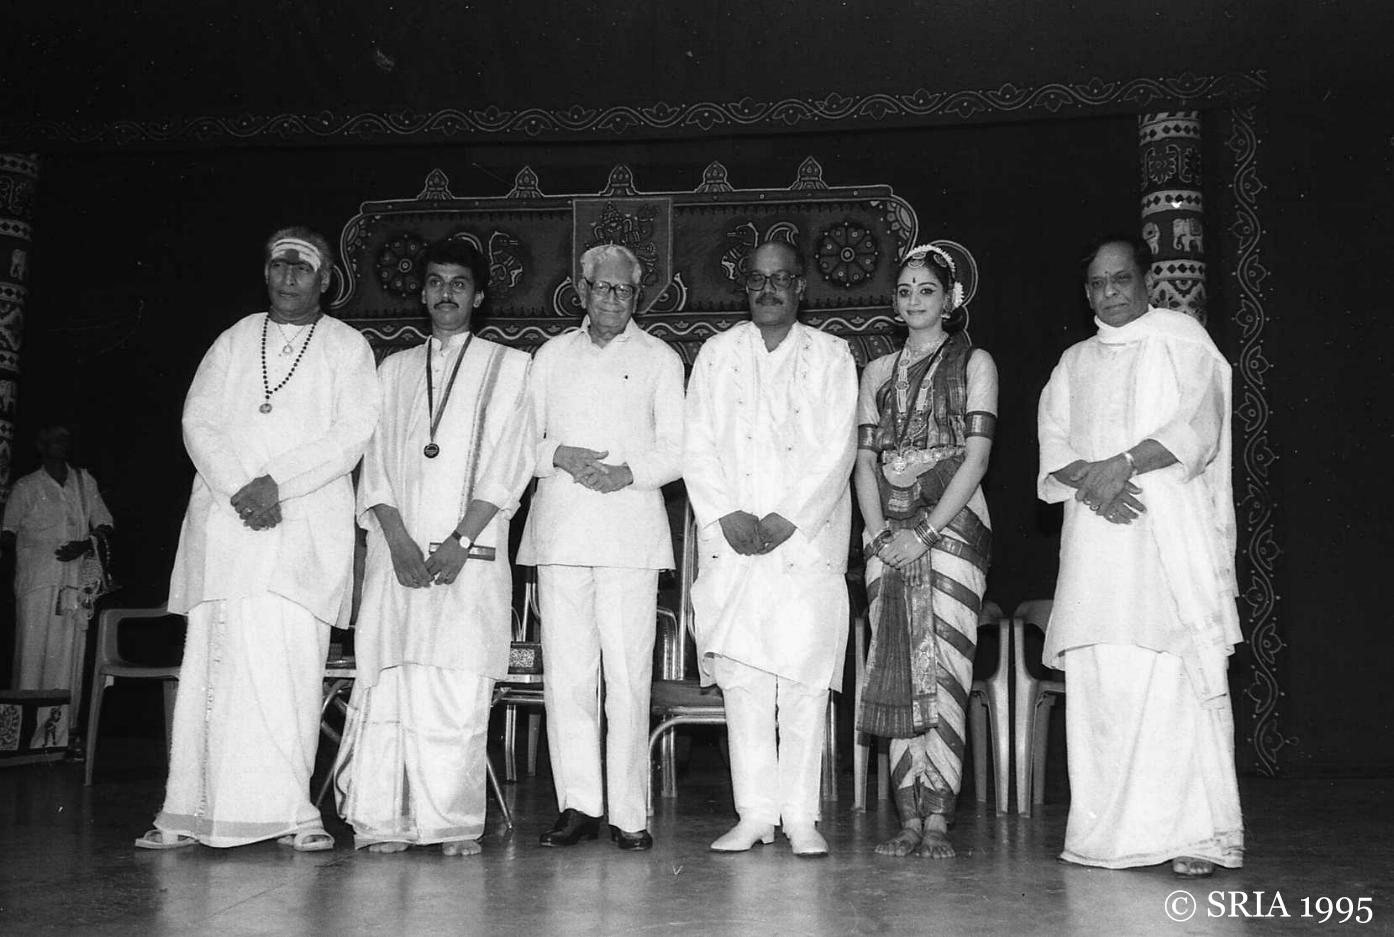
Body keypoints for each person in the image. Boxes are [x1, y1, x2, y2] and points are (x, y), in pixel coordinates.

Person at [137, 227, 381, 851]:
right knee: (212, 672)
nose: (289, 275)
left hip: (303, 532)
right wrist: (240, 489)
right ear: (266, 273)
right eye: (279, 264)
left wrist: (276, 485)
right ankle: (187, 813)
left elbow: (352, 434)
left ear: (326, 279)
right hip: (230, 528)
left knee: (290, 673)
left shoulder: (347, 347)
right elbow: (198, 422)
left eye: (303, 266)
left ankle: (293, 815)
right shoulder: (235, 339)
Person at [1037, 234, 1244, 877]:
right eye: (1097, 284)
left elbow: (1197, 428)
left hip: (1165, 541)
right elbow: (1053, 445)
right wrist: (1095, 480)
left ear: (1146, 279)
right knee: (1104, 679)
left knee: (1171, 679)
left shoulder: (1183, 340)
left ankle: (1194, 836)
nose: (1109, 293)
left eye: (1120, 279)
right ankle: (1107, 839)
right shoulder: (1073, 361)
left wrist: (1122, 464)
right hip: (1096, 544)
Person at [332, 239, 535, 856]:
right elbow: (373, 465)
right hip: (397, 557)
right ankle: (385, 820)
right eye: (436, 281)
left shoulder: (512, 367)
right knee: (392, 680)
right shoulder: (391, 370)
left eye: (459, 283)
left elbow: (511, 465)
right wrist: (396, 542)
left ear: (479, 295)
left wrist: (460, 539)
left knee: (455, 684)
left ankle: (449, 823)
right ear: (422, 293)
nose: (447, 292)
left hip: (468, 556)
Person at [683, 240, 857, 857]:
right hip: (733, 542)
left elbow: (838, 447)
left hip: (804, 543)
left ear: (800, 287)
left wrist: (791, 517)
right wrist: (724, 511)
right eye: (757, 280)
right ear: (745, 287)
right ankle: (754, 813)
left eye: (781, 279)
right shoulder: (717, 353)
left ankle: (802, 816)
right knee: (744, 681)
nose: (768, 290)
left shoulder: (832, 355)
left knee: (803, 681)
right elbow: (696, 440)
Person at [520, 243, 683, 852]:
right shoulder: (549, 356)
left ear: (637, 296)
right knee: (567, 676)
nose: (614, 299)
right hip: (561, 532)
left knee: (628, 677)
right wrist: (558, 455)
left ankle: (630, 813)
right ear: (581, 291)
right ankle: (579, 805)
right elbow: (521, 444)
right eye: (603, 288)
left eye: (625, 290)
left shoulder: (660, 358)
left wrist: (628, 474)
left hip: (629, 536)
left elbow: (678, 449)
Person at [852, 244, 996, 859]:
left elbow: (976, 458)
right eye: (905, 290)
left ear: (951, 299)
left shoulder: (975, 362)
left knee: (944, 672)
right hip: (887, 533)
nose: (914, 300)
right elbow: (863, 462)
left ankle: (938, 818)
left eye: (927, 290)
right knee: (894, 663)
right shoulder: (877, 372)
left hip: (953, 528)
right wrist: (882, 534)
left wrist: (927, 534)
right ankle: (907, 818)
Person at [2, 423, 114, 693]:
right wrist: (38, 551)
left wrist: (85, 544)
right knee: (32, 655)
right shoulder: (26, 486)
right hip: (37, 583)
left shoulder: (83, 482)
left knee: (67, 657)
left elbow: (105, 523)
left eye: (65, 439)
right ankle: (28, 719)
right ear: (41, 446)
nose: (62, 443)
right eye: (55, 439)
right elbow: (7, 532)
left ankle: (62, 721)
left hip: (74, 584)